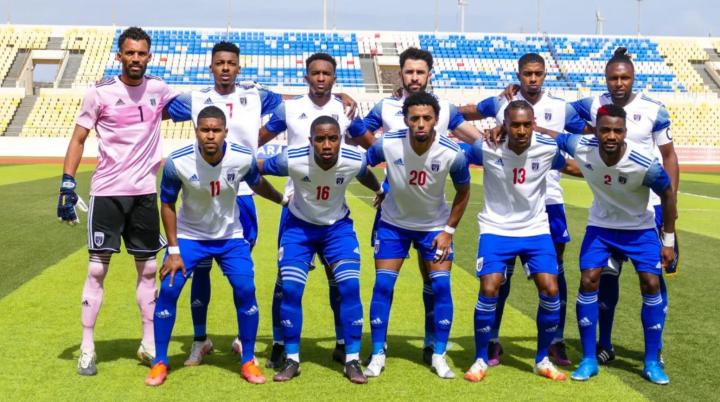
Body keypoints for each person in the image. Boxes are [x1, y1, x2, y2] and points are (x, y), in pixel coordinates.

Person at [58, 26, 177, 376]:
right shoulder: (100, 93)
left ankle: (148, 344)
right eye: (130, 53)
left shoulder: (159, 89)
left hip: (144, 194)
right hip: (107, 193)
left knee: (149, 270)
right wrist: (67, 183)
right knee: (97, 269)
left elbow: (195, 106)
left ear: (149, 57)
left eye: (141, 53)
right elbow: (78, 138)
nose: (135, 59)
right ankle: (87, 347)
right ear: (119, 55)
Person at [458, 53, 587, 367]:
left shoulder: (561, 107)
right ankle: (492, 339)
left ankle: (555, 341)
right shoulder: (500, 102)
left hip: (547, 200)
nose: (533, 78)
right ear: (518, 74)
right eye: (527, 73)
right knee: (500, 277)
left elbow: (588, 133)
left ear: (545, 75)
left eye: (538, 73)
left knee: (554, 272)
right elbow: (463, 115)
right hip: (505, 204)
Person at [357, 47, 482, 365]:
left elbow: (475, 142)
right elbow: (360, 134)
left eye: (420, 72)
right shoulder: (385, 107)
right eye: (409, 72)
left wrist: (497, 135)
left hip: (432, 215)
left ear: (429, 75)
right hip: (394, 211)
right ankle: (378, 351)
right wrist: (387, 170)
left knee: (433, 282)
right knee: (384, 283)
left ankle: (432, 345)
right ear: (400, 73)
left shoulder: (445, 110)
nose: (414, 77)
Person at [145, 106, 286, 386]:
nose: (210, 135)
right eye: (205, 130)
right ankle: (160, 361)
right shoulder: (177, 162)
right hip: (189, 237)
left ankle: (248, 360)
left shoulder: (242, 157)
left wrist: (283, 200)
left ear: (225, 132)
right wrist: (173, 250)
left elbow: (257, 184)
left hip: (230, 237)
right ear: (196, 131)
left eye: (216, 130)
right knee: (169, 290)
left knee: (246, 289)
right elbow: (167, 204)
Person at [536, 104, 677, 384]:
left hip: (639, 228)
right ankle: (589, 359)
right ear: (596, 131)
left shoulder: (645, 164)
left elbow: (668, 193)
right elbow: (552, 135)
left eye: (617, 130)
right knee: (588, 280)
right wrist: (514, 128)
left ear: (625, 132)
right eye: (605, 130)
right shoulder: (581, 145)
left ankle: (652, 361)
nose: (611, 136)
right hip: (601, 227)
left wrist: (669, 240)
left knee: (651, 283)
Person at [570, 47, 679, 364]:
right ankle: (604, 344)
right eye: (613, 78)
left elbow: (669, 156)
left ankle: (655, 348)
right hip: (611, 204)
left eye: (625, 78)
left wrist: (671, 205)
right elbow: (561, 115)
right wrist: (590, 130)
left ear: (633, 78)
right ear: (605, 79)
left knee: (653, 278)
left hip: (650, 206)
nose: (619, 83)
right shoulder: (594, 105)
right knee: (606, 276)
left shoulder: (653, 110)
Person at [258, 52, 366, 367]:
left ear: (334, 78)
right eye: (315, 73)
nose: (320, 78)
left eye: (326, 73)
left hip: (332, 205)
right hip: (296, 203)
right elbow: (259, 139)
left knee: (339, 279)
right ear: (306, 77)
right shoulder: (290, 108)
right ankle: (280, 343)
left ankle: (343, 342)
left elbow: (367, 142)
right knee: (285, 281)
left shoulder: (345, 110)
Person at [258, 115, 382, 384]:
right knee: (291, 289)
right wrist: (279, 198)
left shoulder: (354, 159)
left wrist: (380, 189)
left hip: (337, 230)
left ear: (340, 139)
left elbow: (365, 175)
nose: (327, 145)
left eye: (333, 138)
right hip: (298, 230)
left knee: (350, 287)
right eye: (320, 139)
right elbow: (255, 170)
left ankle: (351, 359)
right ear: (310, 141)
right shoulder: (291, 159)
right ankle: (292, 359)